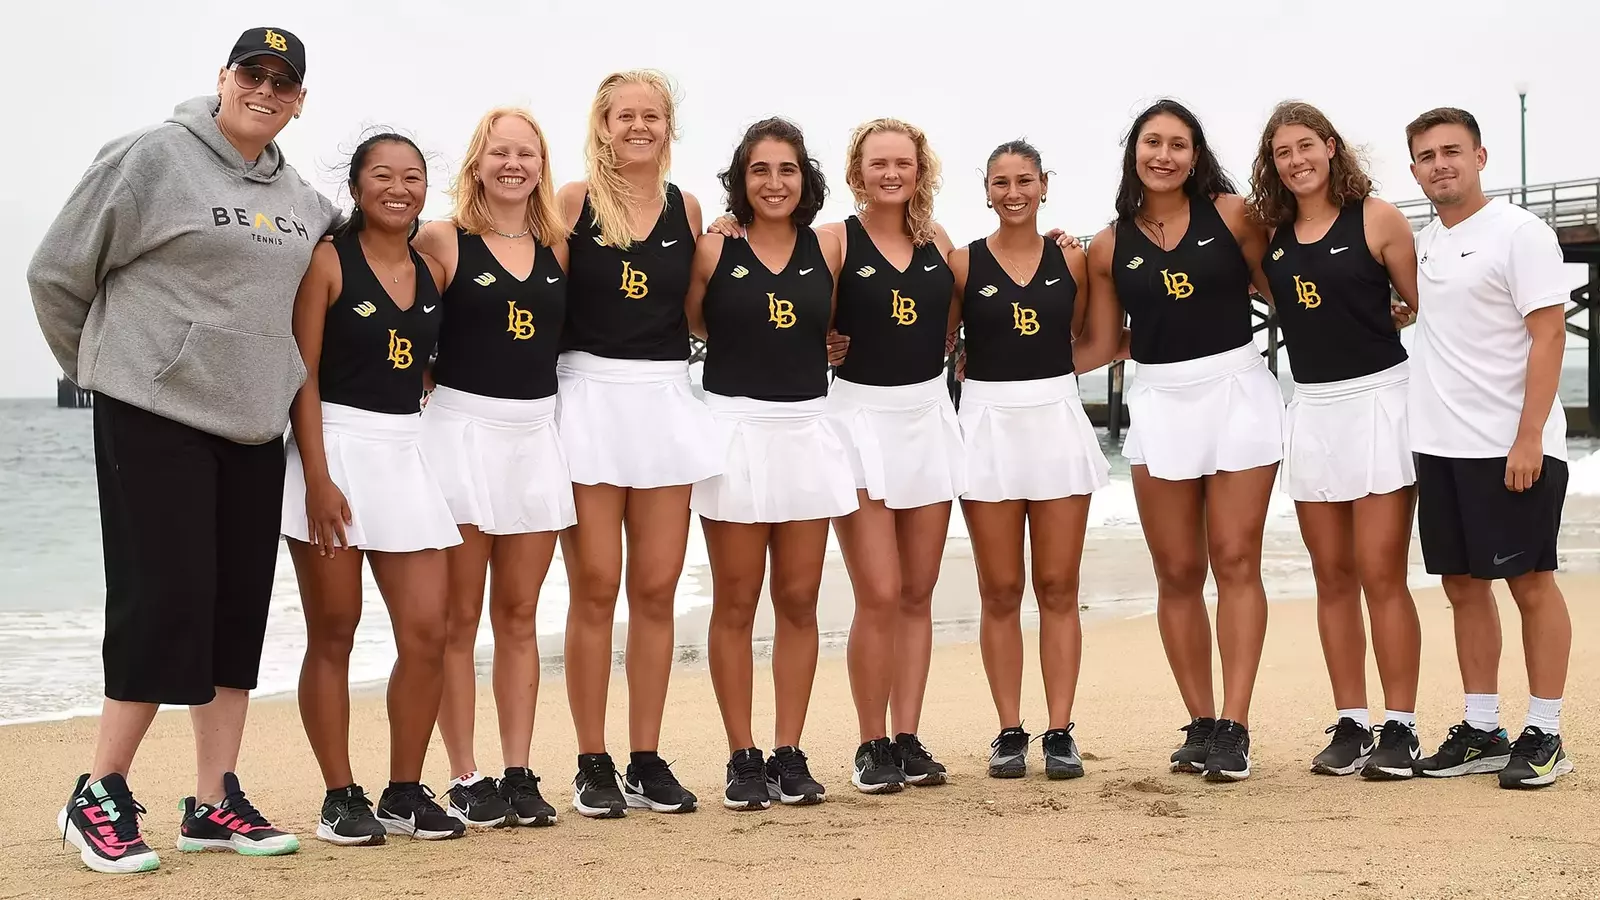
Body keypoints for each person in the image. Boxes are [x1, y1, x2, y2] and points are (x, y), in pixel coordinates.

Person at [29, 27, 333, 874]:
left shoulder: (303, 198)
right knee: (160, 599)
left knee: (234, 608)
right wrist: (109, 373)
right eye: (252, 74)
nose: (265, 90)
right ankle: (99, 792)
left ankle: (213, 799)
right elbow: (56, 274)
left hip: (250, 426)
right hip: (151, 414)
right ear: (225, 78)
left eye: (284, 81)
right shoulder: (151, 157)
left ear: (300, 100)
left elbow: (369, 245)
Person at [710, 118, 962, 793]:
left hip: (928, 417)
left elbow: (957, 319)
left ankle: (906, 737)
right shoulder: (829, 241)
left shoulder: (940, 242)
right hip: (854, 422)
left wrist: (1058, 241)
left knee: (917, 591)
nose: (890, 173)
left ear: (920, 169)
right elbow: (771, 297)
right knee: (878, 590)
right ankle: (869, 743)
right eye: (877, 162)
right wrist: (724, 223)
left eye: (903, 162)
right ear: (854, 172)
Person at [1085, 99, 1282, 782]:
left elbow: (1287, 289)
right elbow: (1103, 344)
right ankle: (1200, 721)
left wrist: (1378, 311)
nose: (1164, 155)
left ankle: (1235, 723)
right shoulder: (1108, 244)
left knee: (1234, 558)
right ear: (1133, 151)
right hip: (1161, 401)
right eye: (1152, 143)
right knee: (1176, 572)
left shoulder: (1233, 215)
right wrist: (992, 353)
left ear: (1195, 156)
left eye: (1178, 144)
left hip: (1237, 394)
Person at [284, 133, 465, 844]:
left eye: (413, 177)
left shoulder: (432, 269)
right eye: (383, 176)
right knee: (334, 631)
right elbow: (302, 374)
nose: (399, 188)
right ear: (356, 186)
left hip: (404, 452)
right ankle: (339, 795)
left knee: (429, 632)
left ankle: (403, 789)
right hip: (332, 451)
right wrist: (318, 476)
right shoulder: (328, 261)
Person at [1245, 101, 1424, 780]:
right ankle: (1352, 722)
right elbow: (1278, 293)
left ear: (1329, 147)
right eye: (1282, 152)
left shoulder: (1377, 218)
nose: (1295, 161)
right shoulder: (1271, 235)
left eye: (1305, 147)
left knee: (1382, 572)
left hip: (1381, 400)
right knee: (1332, 577)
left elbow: (1421, 309)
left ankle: (1400, 727)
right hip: (1314, 407)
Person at [554, 70, 713, 818]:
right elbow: (533, 294)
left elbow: (701, 315)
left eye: (652, 115)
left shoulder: (689, 207)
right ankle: (593, 762)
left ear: (668, 126)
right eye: (625, 116)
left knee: (656, 590)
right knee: (594, 587)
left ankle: (646, 757)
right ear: (604, 124)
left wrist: (830, 339)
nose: (639, 126)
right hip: (586, 396)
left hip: (663, 399)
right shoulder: (572, 202)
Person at [686, 117, 853, 811]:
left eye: (786, 169)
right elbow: (694, 323)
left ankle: (788, 750)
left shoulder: (828, 248)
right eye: (760, 170)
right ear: (741, 178)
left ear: (804, 177)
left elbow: (836, 326)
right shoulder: (713, 248)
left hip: (806, 428)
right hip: (735, 428)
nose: (775, 182)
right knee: (735, 600)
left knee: (799, 600)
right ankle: (742, 755)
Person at [1404, 107, 1574, 788]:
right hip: (1439, 446)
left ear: (1480, 156)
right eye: (1426, 155)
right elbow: (1440, 317)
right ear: (1414, 169)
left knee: (1530, 584)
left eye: (1451, 151)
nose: (1439, 164)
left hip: (1510, 444)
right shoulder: (1425, 242)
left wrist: (1529, 435)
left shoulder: (1521, 233)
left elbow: (1551, 334)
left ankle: (1547, 732)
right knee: (1462, 586)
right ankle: (1482, 729)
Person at [412, 108, 572, 829]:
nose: (514, 164)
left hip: (536, 435)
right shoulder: (444, 239)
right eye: (500, 153)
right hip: (461, 434)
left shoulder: (557, 244)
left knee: (519, 616)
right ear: (477, 162)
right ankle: (464, 775)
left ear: (542, 164)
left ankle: (517, 770)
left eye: (527, 154)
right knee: (457, 619)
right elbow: (394, 311)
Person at [947, 140, 1114, 781]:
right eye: (1000, 182)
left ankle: (1060, 731)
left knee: (1058, 587)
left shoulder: (1072, 258)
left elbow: (1087, 336)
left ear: (1045, 185)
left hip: (1055, 420)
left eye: (1024, 180)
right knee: (999, 590)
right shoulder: (962, 263)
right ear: (985, 190)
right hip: (986, 423)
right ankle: (1009, 731)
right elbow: (934, 339)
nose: (1013, 192)